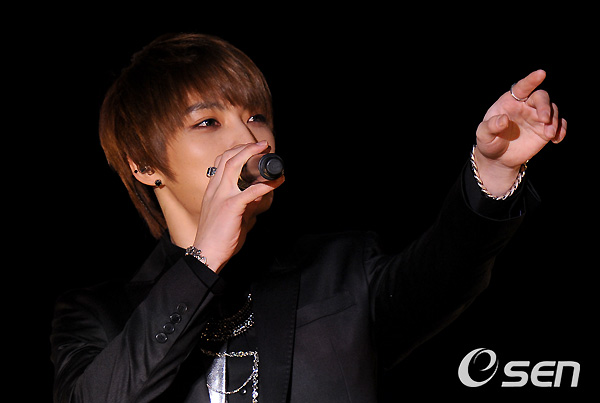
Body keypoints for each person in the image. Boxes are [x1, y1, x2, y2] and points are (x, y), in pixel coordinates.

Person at [50, 33, 567, 402]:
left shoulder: (340, 270)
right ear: (143, 166)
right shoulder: (95, 315)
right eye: (207, 122)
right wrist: (203, 258)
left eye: (256, 117)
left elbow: (448, 274)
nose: (250, 139)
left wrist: (494, 171)